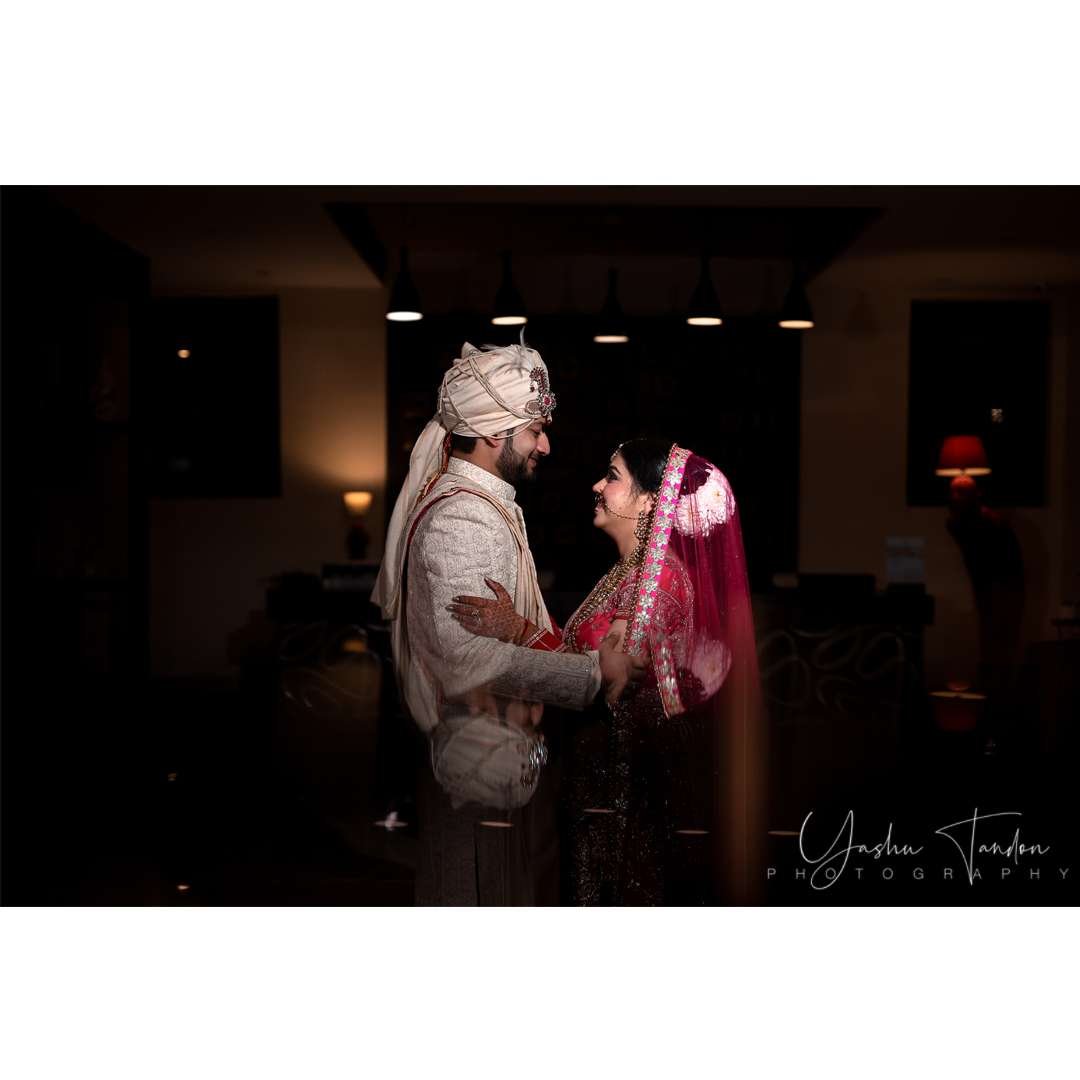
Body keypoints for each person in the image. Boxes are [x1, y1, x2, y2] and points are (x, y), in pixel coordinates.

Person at [372, 341, 644, 906]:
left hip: (494, 759)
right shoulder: (463, 515)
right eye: (535, 430)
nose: (545, 445)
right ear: (495, 431)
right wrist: (594, 675)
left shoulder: (484, 502)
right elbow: (469, 661)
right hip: (474, 763)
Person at [449, 438, 764, 904]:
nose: (597, 485)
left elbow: (610, 680)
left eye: (612, 477)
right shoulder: (627, 572)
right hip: (598, 778)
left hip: (626, 788)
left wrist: (518, 630)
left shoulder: (658, 579)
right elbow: (584, 654)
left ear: (650, 501)